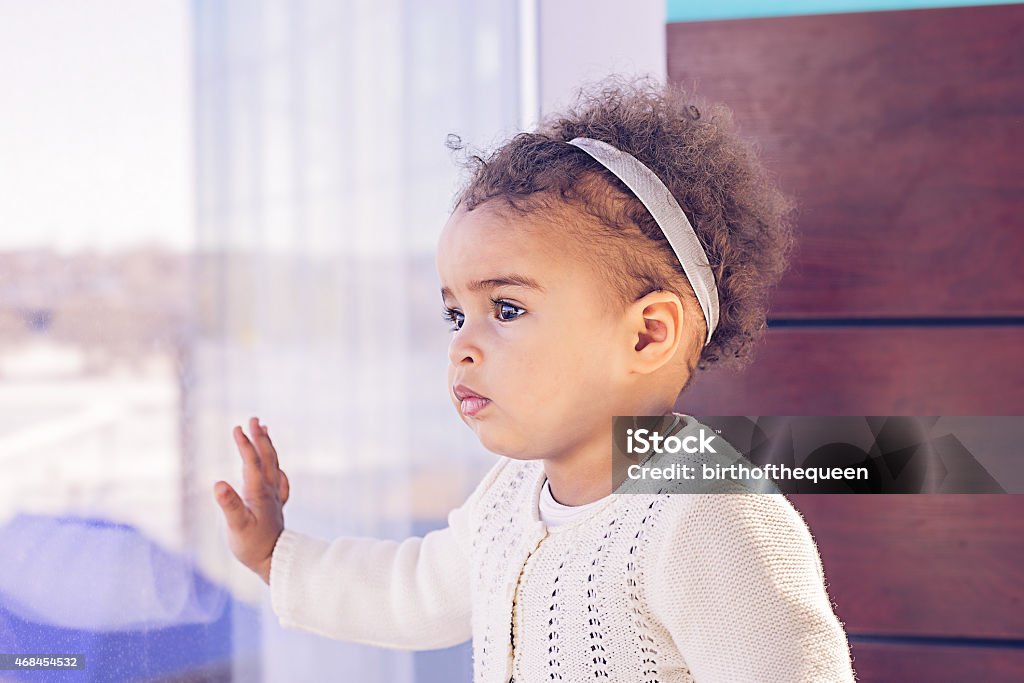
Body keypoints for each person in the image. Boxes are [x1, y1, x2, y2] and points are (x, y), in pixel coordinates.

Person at [213, 75, 857, 682]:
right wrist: (277, 555)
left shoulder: (709, 517)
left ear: (646, 335)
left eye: (507, 309)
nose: (462, 345)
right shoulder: (510, 496)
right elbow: (418, 589)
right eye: (455, 314)